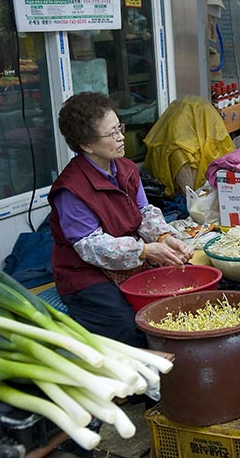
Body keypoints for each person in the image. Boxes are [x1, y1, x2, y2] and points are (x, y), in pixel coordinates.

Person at [48, 92, 193, 347]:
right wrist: (146, 250)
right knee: (129, 327)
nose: (121, 137)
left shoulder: (125, 168)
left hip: (129, 258)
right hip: (86, 274)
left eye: (119, 128)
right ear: (87, 145)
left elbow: (144, 212)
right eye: (111, 133)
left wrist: (165, 238)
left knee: (179, 297)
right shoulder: (70, 190)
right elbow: (91, 247)